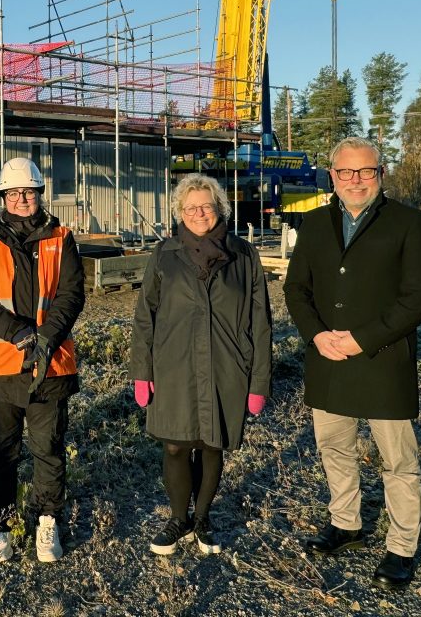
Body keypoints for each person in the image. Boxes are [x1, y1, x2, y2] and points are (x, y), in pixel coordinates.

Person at [284, 136, 421, 590]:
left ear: (380, 174)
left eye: (365, 171)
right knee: (334, 449)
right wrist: (316, 335)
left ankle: (401, 547)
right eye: (345, 172)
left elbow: (420, 296)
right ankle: (346, 522)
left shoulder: (408, 223)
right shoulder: (313, 224)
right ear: (332, 176)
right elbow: (297, 290)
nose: (355, 180)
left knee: (399, 462)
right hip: (328, 358)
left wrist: (362, 339)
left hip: (382, 360)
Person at [129, 173, 271, 557]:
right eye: (190, 207)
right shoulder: (164, 254)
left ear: (219, 209)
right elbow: (146, 316)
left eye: (206, 206)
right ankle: (179, 518)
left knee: (213, 444)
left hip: (227, 367)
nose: (199, 213)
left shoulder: (244, 255)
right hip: (173, 367)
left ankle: (203, 517)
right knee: (175, 445)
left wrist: (259, 382)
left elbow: (261, 322)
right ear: (179, 213)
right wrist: (142, 372)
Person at [0, 157, 85, 564]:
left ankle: (47, 521)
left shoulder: (61, 238)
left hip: (50, 363)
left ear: (39, 194)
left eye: (28, 192)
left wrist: (45, 337)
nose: (22, 199)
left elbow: (71, 293)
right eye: (14, 193)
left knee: (48, 446)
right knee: (1, 451)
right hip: (1, 365)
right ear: (3, 197)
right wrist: (18, 333)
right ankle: (1, 527)